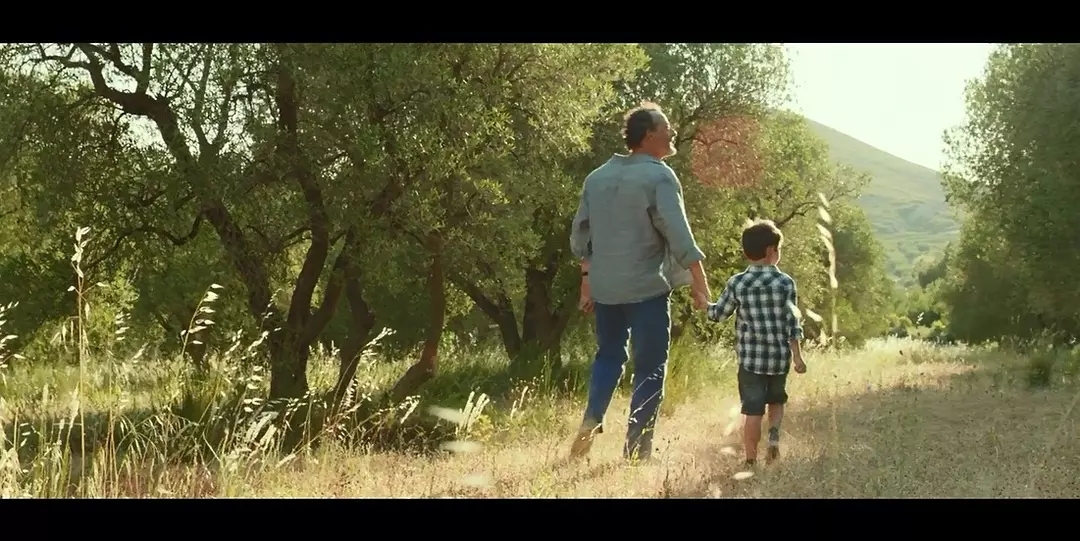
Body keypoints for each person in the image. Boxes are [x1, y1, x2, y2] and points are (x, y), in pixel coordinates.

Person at [568, 102, 712, 462]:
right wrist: (699, 281)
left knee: (608, 356)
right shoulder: (659, 176)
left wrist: (587, 284)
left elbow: (582, 237)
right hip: (646, 287)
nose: (672, 132)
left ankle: (592, 418)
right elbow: (679, 233)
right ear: (649, 134)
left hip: (605, 288)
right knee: (649, 366)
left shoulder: (597, 177)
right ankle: (636, 450)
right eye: (667, 127)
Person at [706, 219, 807, 467]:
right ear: (773, 251)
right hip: (779, 358)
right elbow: (792, 324)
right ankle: (773, 438)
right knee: (776, 400)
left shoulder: (738, 283)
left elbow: (719, 314)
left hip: (750, 361)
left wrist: (704, 304)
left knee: (752, 411)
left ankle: (750, 459)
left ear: (745, 253)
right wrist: (797, 357)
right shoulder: (786, 283)